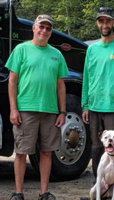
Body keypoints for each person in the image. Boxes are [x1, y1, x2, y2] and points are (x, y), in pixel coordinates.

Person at [5, 14, 68, 200]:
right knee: (22, 152)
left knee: (47, 152)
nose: (44, 31)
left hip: (49, 111)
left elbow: (61, 85)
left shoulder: (56, 54)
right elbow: (12, 82)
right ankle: (18, 193)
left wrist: (62, 111)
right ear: (34, 28)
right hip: (25, 110)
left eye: (48, 28)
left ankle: (44, 192)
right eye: (41, 26)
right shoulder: (21, 50)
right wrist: (13, 109)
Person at [82, 7, 114, 180]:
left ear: (113, 23)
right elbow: (87, 79)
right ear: (97, 23)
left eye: (108, 21)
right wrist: (85, 105)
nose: (105, 24)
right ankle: (99, 188)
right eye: (101, 21)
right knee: (96, 148)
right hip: (94, 107)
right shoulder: (91, 49)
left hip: (113, 107)